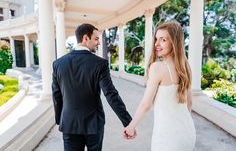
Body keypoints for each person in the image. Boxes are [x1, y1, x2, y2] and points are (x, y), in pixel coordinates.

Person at [52, 23, 134, 151]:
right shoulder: (100, 64)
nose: (99, 43)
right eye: (96, 39)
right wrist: (128, 122)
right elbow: (111, 95)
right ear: (85, 38)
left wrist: (60, 119)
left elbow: (57, 96)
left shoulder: (58, 64)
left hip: (69, 123)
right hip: (94, 124)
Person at [124, 21, 196, 151]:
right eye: (156, 39)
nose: (156, 44)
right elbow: (189, 103)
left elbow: (146, 104)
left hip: (167, 137)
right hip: (187, 133)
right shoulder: (186, 67)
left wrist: (131, 127)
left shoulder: (157, 67)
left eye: (163, 40)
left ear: (174, 42)